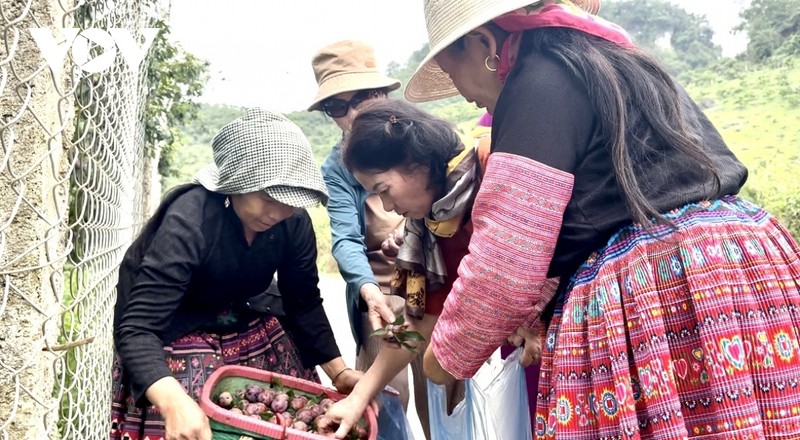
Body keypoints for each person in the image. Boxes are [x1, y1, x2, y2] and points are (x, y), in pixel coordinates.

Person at [404, 0, 800, 438]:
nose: (461, 91)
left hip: (661, 282)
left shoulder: (536, 80)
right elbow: (580, 220)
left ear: (483, 43)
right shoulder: (619, 62)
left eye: (451, 68)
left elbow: (505, 266)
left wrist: (442, 357)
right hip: (746, 261)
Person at [110, 109, 361, 440]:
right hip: (173, 331)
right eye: (268, 197)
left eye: (290, 201)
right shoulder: (190, 221)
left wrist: (339, 372)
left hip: (242, 317)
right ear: (235, 183)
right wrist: (172, 402)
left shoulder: (292, 221)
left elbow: (303, 302)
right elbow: (138, 329)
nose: (278, 212)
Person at [324, 99, 502, 438]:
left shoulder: (493, 168)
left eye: (383, 191)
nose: (388, 206)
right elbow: (415, 324)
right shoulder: (435, 227)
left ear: (416, 163)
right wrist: (357, 398)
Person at [308, 40, 430, 437]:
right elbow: (345, 239)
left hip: (434, 283)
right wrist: (365, 289)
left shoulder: (422, 137)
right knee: (384, 402)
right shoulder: (337, 167)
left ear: (381, 94)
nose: (352, 113)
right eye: (337, 107)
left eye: (360, 98)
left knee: (443, 389)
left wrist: (413, 233)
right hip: (378, 292)